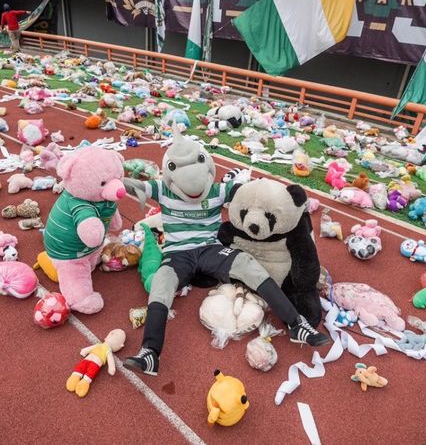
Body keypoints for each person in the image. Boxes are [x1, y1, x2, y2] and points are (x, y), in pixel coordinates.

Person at [122, 132, 330, 377]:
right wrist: (115, 182)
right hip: (177, 253)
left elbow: (250, 193)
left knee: (247, 263)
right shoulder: (162, 189)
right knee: (161, 283)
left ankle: (297, 325)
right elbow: (131, 185)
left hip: (210, 249)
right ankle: (150, 353)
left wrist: (281, 198)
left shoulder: (219, 190)